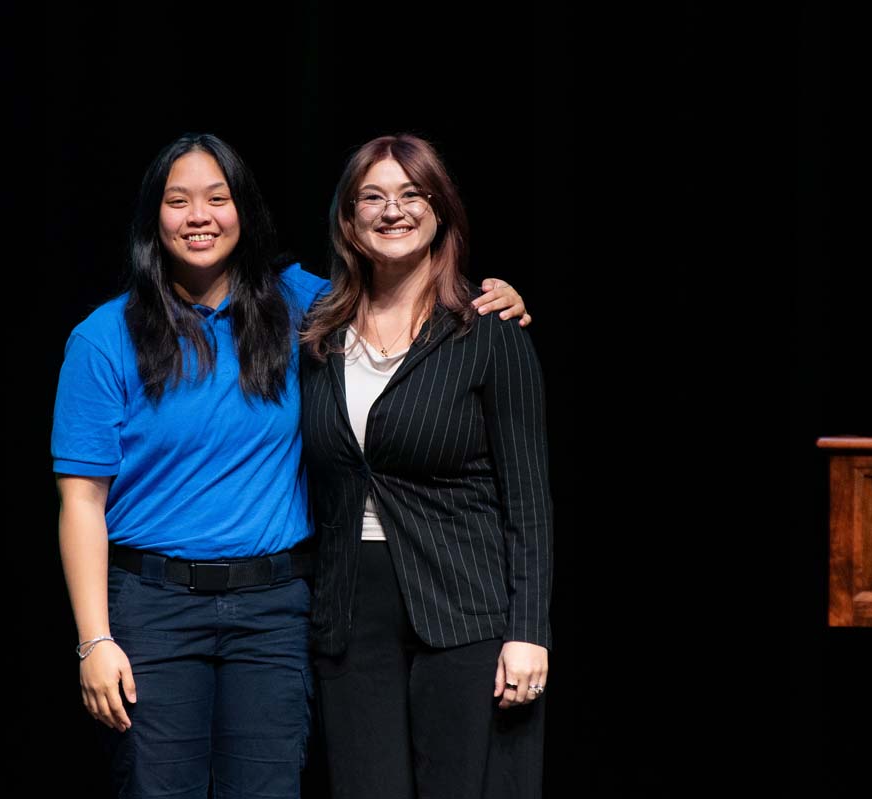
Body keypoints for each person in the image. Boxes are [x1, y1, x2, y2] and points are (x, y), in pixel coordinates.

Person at [50, 132, 530, 799]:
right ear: (151, 218)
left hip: (272, 609)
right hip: (153, 610)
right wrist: (93, 639)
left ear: (242, 210)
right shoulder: (104, 336)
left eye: (217, 198)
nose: (199, 216)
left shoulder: (301, 304)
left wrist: (488, 296)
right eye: (178, 200)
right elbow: (81, 502)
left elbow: (403, 299)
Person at [299, 133, 553, 799]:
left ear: (440, 210)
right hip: (351, 613)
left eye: (412, 194)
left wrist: (530, 631)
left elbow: (529, 501)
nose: (393, 210)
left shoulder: (488, 329)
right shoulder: (317, 334)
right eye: (372, 197)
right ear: (348, 218)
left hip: (464, 612)